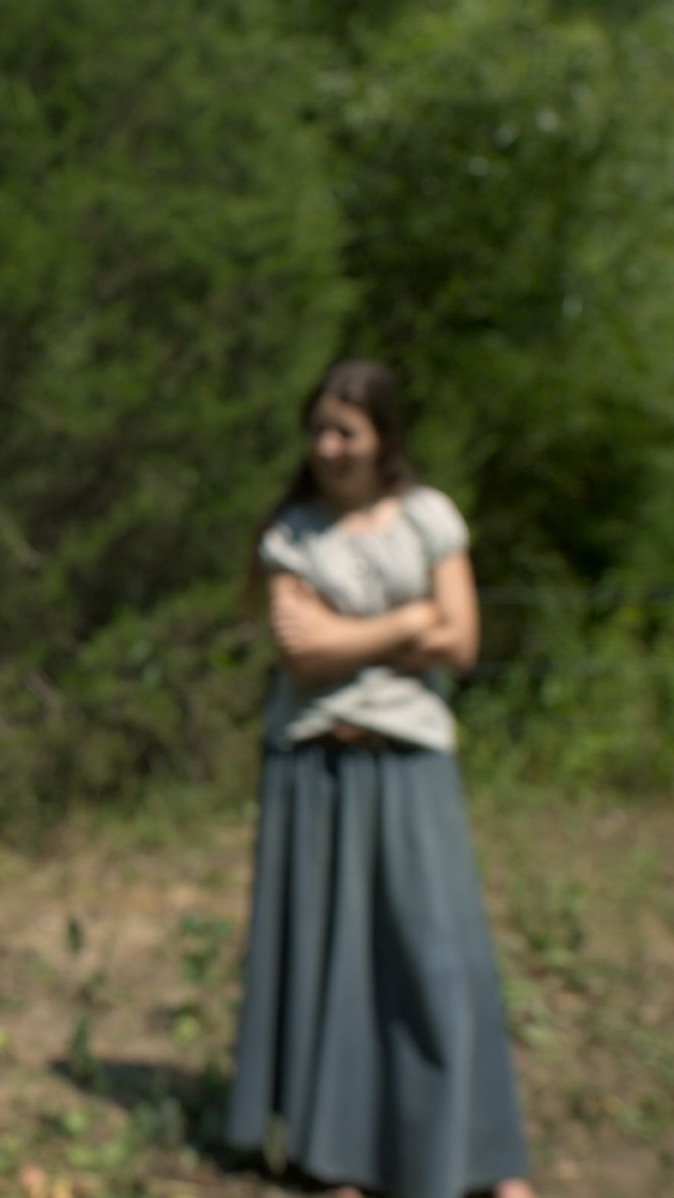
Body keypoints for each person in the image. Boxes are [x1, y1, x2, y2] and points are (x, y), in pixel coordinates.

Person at [223, 360, 534, 1198]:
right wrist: (407, 623)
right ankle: (339, 1159)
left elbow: (461, 641)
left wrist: (350, 629)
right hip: (313, 762)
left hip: (410, 759)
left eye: (346, 431)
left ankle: (480, 1155)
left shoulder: (429, 517)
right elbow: (302, 654)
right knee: (330, 962)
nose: (328, 446)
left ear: (383, 439)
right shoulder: (291, 531)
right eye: (318, 428)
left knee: (439, 955)